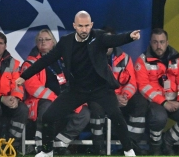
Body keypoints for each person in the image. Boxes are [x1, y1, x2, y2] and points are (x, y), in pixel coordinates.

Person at [16, 10, 140, 157]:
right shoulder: (66, 42)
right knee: (48, 117)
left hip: (100, 88)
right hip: (76, 89)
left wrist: (129, 37)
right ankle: (47, 151)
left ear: (91, 25)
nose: (84, 29)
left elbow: (114, 40)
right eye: (80, 26)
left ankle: (128, 150)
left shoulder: (99, 36)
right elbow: (46, 60)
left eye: (87, 26)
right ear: (74, 25)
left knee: (116, 116)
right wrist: (24, 76)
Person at [22, 29, 90, 155]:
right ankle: (42, 146)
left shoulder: (64, 59)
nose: (43, 42)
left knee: (84, 112)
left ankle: (60, 144)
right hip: (41, 102)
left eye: (46, 39)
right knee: (48, 107)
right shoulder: (30, 62)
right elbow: (32, 87)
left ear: (53, 42)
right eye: (40, 40)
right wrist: (55, 98)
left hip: (65, 98)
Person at [134, 28, 179, 155]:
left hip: (174, 101)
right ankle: (155, 146)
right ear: (150, 42)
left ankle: (167, 142)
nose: (159, 46)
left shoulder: (177, 59)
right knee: (159, 117)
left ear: (167, 42)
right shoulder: (142, 61)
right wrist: (164, 102)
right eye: (155, 42)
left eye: (162, 42)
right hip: (154, 102)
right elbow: (143, 87)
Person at [88, 27, 148, 155]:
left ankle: (131, 143)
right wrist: (115, 98)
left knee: (140, 102)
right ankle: (98, 147)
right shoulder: (91, 58)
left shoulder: (124, 58)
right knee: (95, 107)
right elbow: (93, 85)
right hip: (100, 98)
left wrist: (125, 96)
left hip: (121, 98)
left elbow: (131, 83)